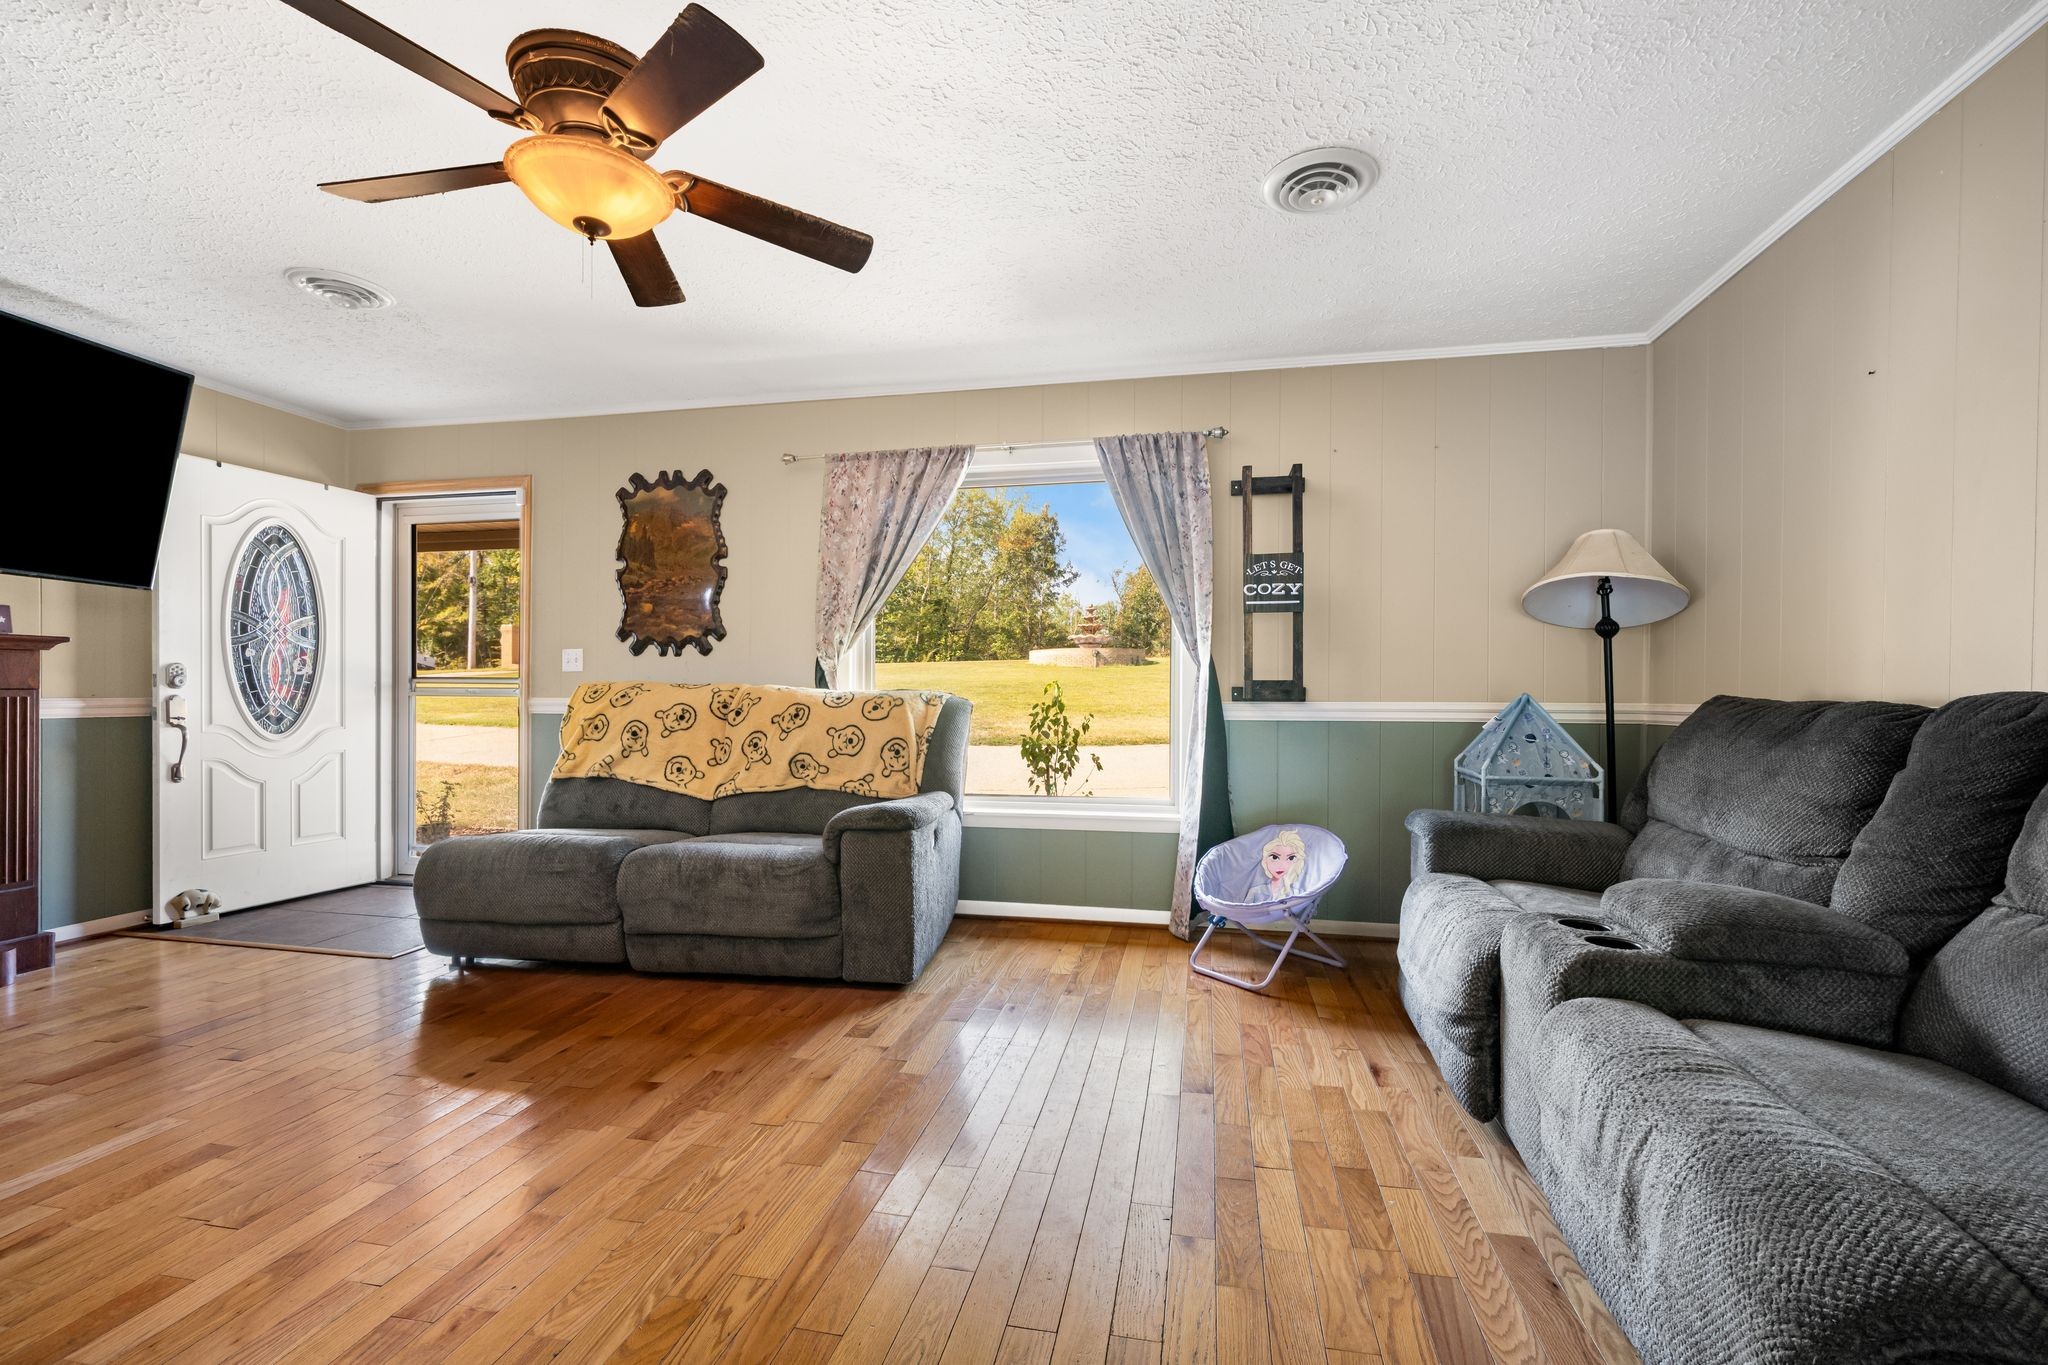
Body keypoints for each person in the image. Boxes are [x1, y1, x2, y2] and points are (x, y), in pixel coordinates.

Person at [1258, 828, 1307, 901]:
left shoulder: (1298, 893)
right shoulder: (1256, 892)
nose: (1281, 865)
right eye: (1274, 857)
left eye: (1291, 858)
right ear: (1265, 860)